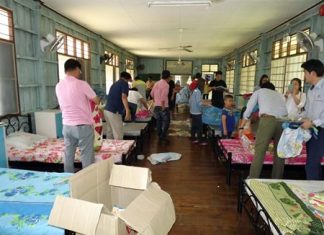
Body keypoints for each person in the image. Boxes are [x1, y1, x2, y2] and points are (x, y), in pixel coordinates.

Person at [56, 59, 100, 173]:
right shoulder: (82, 84)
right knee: (86, 155)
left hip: (66, 126)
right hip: (82, 126)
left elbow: (61, 106)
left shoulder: (58, 86)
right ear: (76, 69)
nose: (80, 72)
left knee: (68, 153)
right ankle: (87, 181)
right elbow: (96, 100)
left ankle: (67, 178)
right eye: (79, 70)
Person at [239, 82, 288, 179]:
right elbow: (286, 111)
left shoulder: (259, 91)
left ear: (262, 88)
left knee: (259, 152)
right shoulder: (279, 94)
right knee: (279, 152)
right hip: (283, 122)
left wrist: (241, 126)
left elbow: (248, 109)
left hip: (268, 120)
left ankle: (252, 179)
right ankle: (276, 179)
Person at [300, 59, 324, 180]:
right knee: (314, 163)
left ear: (313, 73)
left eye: (305, 72)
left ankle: (313, 195)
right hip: (312, 130)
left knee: (311, 165)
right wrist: (300, 118)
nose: (304, 76)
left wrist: (313, 122)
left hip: (321, 130)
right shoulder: (311, 90)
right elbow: (308, 110)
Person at [104, 71, 132, 140]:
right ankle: (119, 150)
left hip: (107, 110)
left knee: (110, 132)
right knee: (118, 133)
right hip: (114, 111)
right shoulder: (124, 83)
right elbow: (124, 97)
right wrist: (128, 111)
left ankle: (109, 149)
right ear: (127, 79)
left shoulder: (115, 84)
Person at [151, 70, 171, 143]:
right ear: (168, 77)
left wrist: (155, 101)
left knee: (158, 121)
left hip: (156, 106)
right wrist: (162, 106)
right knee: (166, 122)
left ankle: (159, 135)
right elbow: (163, 96)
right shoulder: (166, 85)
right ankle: (163, 136)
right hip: (163, 106)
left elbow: (152, 94)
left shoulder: (156, 83)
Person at [189, 79, 207, 145]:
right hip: (197, 112)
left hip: (192, 111)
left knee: (193, 126)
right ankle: (199, 140)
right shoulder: (198, 91)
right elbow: (199, 103)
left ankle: (193, 137)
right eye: (204, 84)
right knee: (199, 127)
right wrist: (205, 105)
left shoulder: (194, 90)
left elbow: (190, 101)